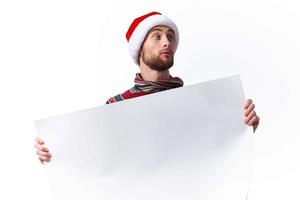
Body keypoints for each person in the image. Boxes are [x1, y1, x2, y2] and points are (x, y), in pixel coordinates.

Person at [34, 11, 260, 163]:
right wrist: (54, 153)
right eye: (157, 36)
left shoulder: (196, 102)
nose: (167, 42)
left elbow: (216, 150)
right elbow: (97, 158)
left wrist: (243, 126)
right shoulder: (116, 106)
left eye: (170, 37)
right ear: (140, 49)